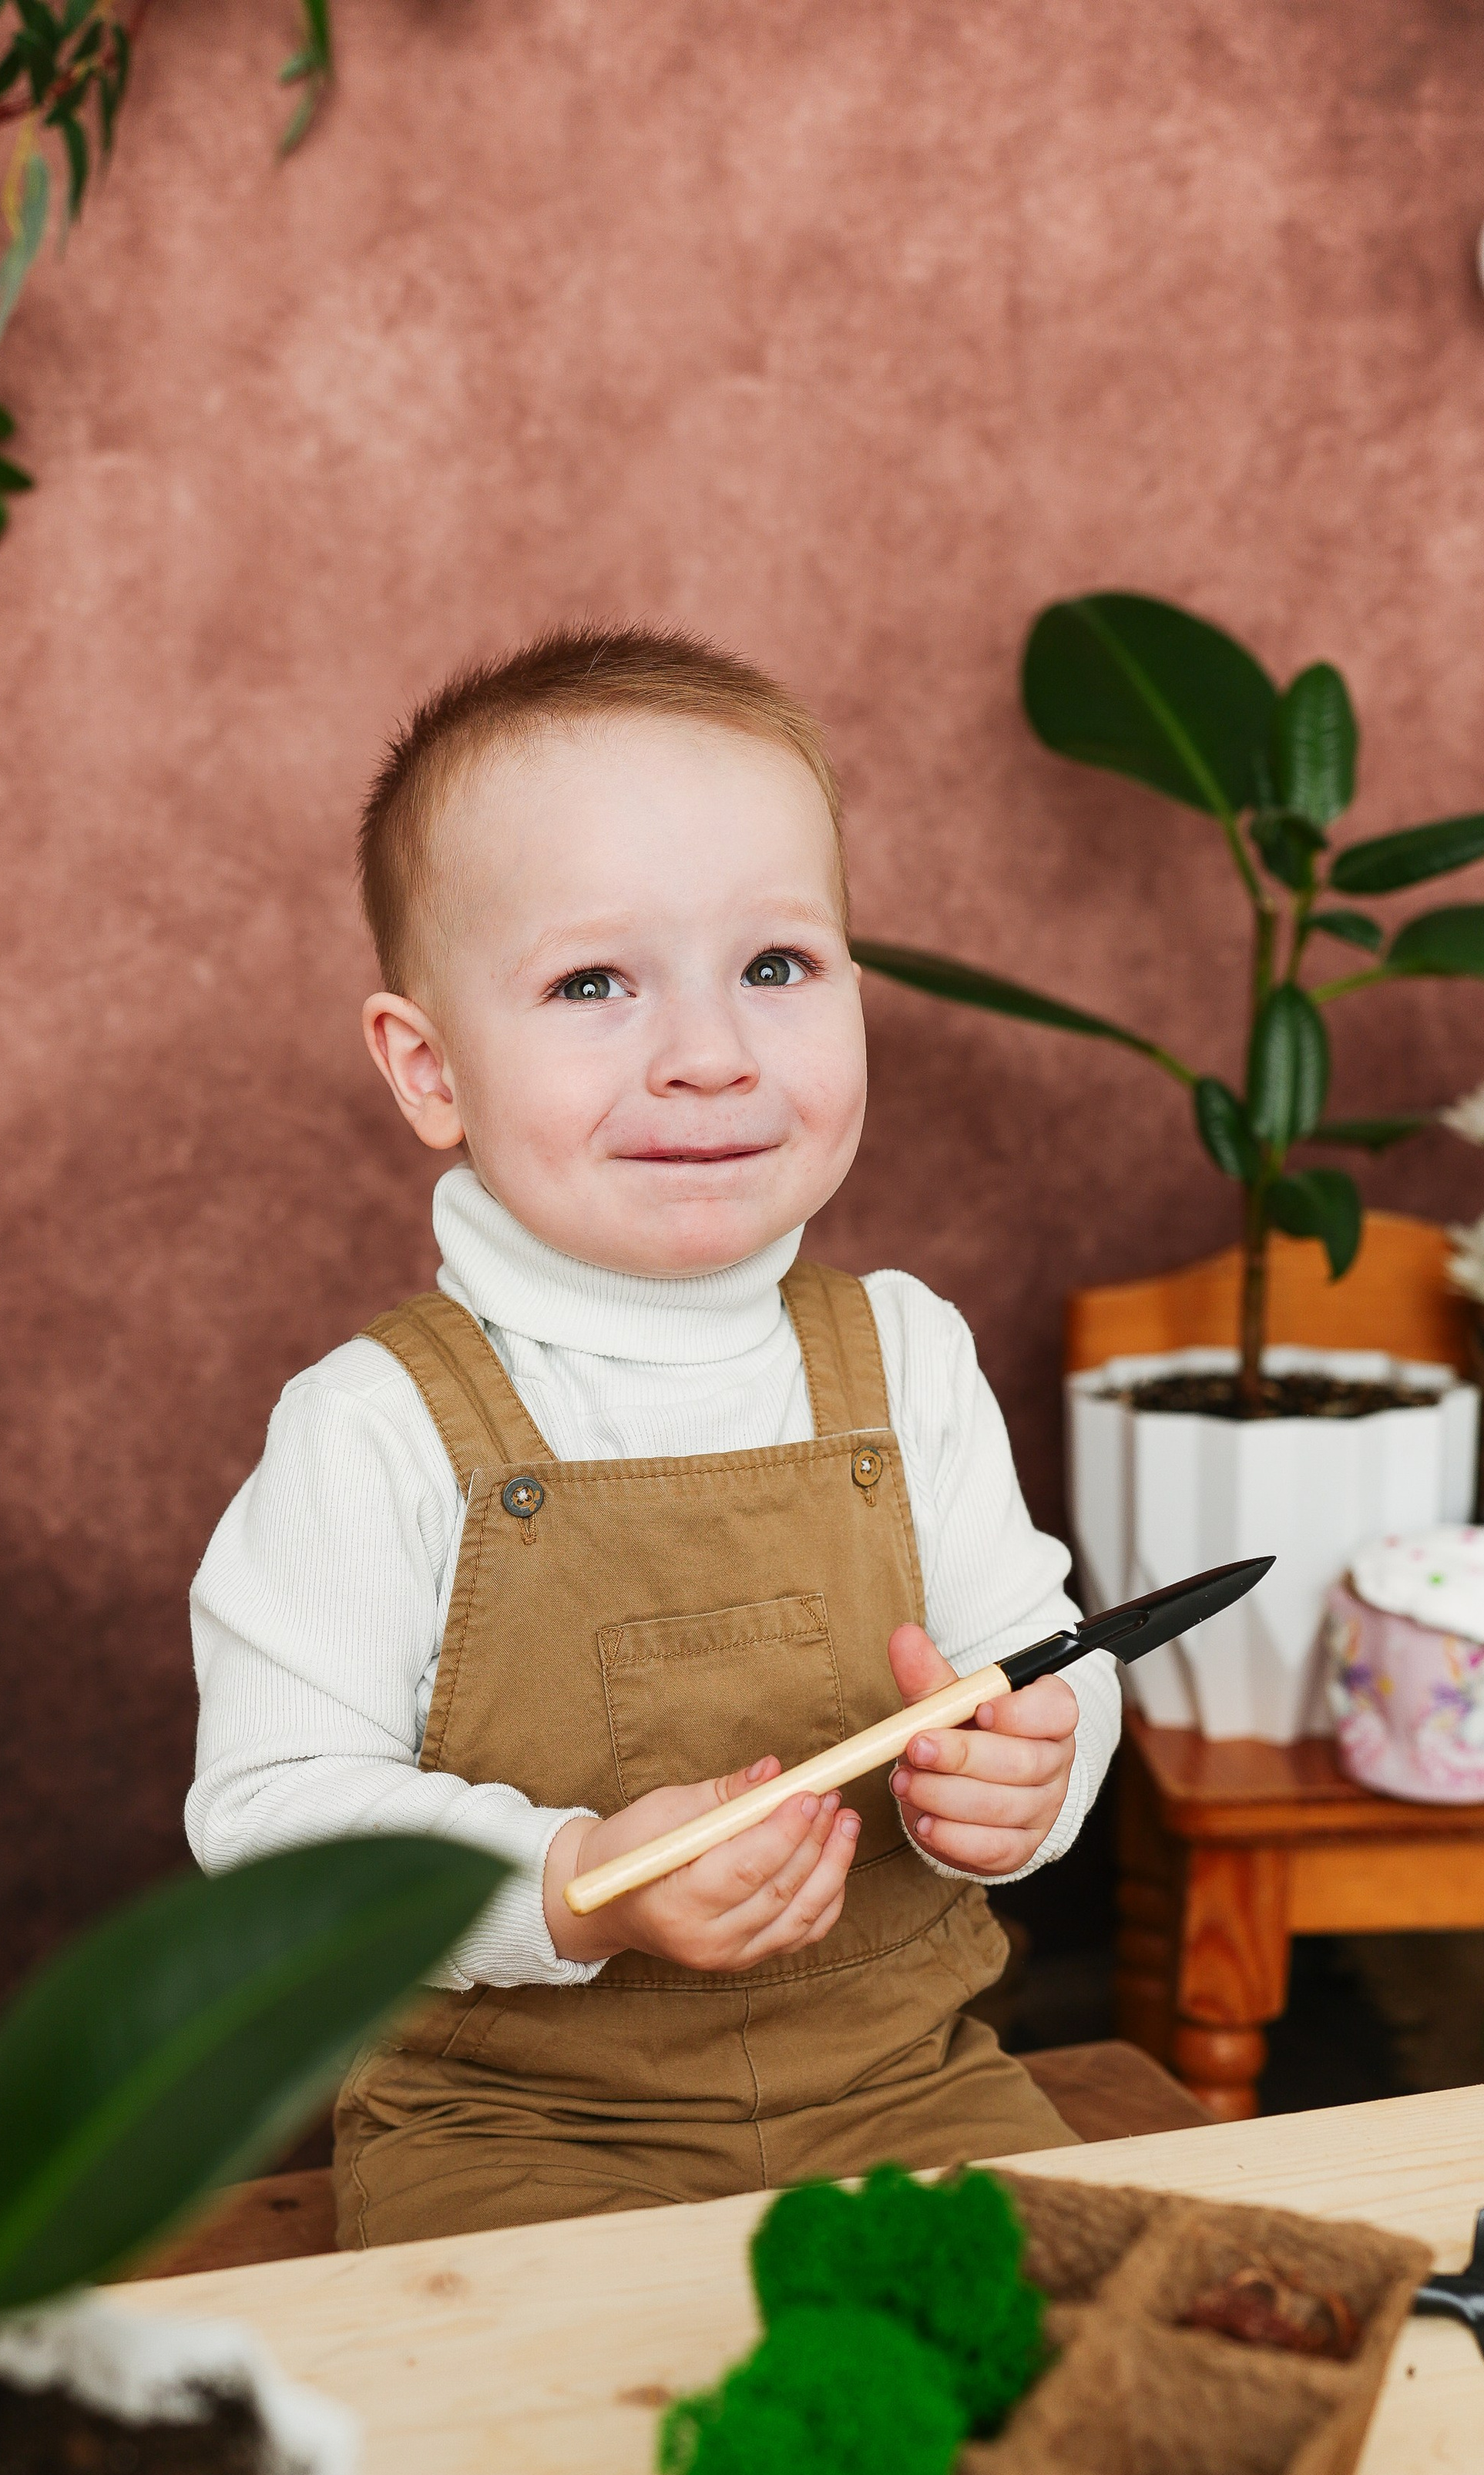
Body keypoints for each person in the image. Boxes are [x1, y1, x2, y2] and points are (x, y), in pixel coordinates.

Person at [188, 624, 1121, 2248]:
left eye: (775, 967)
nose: (708, 1053)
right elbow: (270, 1822)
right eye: (592, 984)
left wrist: (1035, 1763)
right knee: (521, 2442)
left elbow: (1039, 1646)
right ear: (428, 1067)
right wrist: (564, 1877)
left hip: (902, 2085)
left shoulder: (903, 1354)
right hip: (517, 2130)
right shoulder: (372, 1429)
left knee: (1077, 2365)